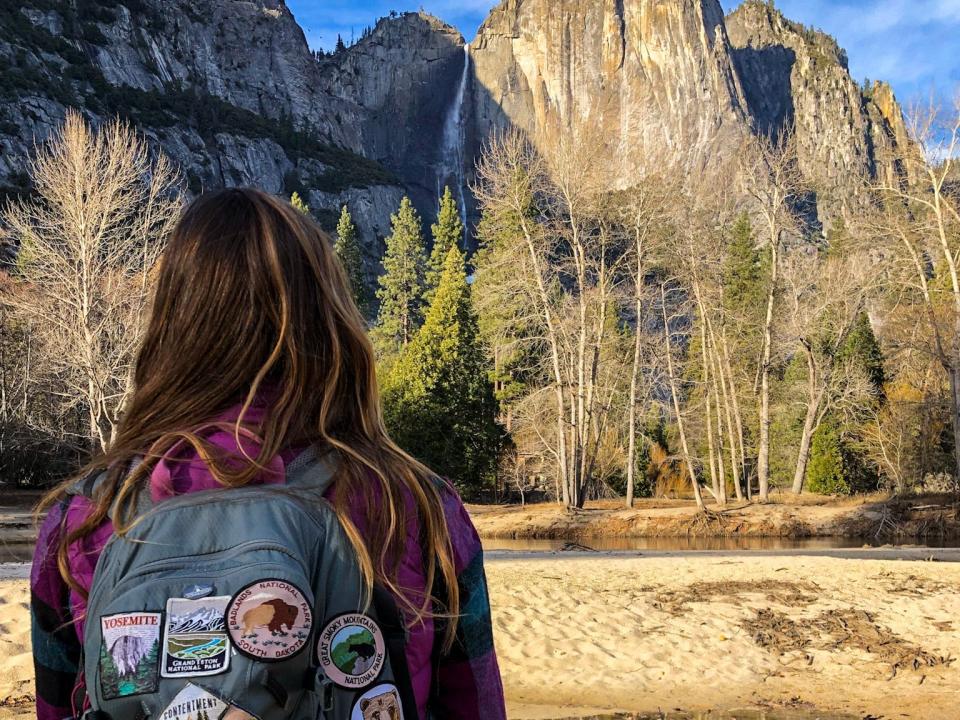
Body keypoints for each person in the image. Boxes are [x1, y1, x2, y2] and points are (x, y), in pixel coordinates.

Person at [30, 188, 506, 720]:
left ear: (171, 326)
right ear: (329, 321)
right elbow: (477, 702)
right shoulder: (413, 505)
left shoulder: (85, 518)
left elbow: (59, 705)